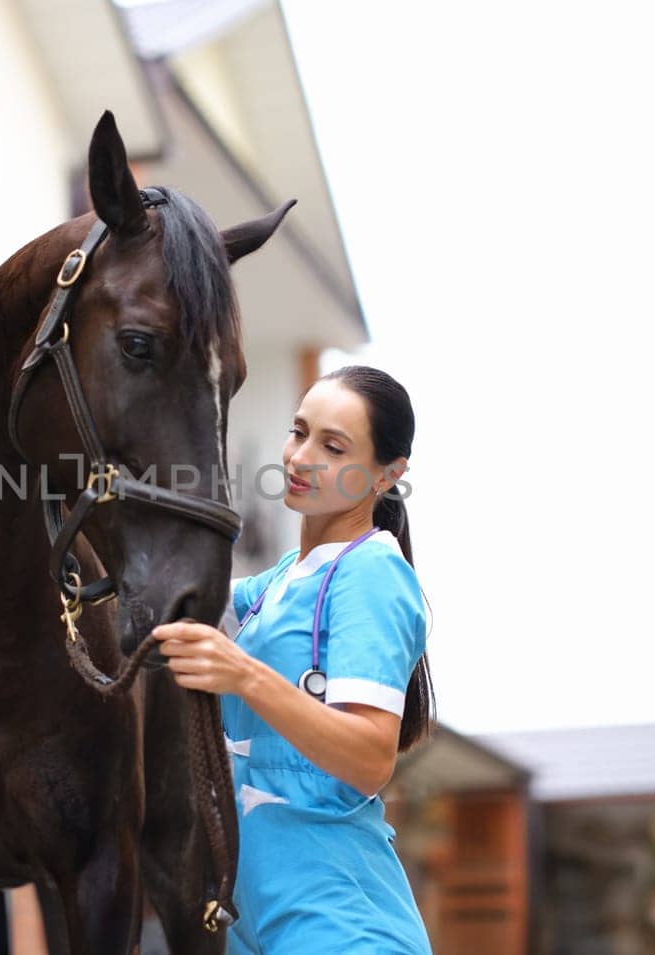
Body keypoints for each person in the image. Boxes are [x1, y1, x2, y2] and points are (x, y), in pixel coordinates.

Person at [152, 364, 435, 953]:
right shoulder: (276, 586)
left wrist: (245, 677)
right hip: (248, 924)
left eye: (332, 447)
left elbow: (368, 756)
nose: (301, 457)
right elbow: (166, 605)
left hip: (340, 928)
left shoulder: (371, 574)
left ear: (388, 475)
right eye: (298, 431)